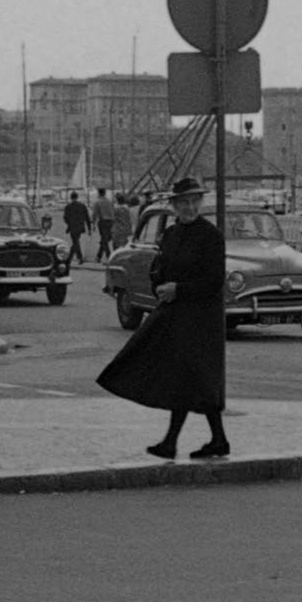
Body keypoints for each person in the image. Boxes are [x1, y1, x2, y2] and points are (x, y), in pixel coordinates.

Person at [95, 177, 230, 459]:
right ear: (174, 205)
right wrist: (159, 282)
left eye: (194, 202)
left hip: (203, 319)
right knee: (181, 375)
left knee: (199, 378)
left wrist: (178, 289)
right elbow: (161, 267)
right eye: (184, 203)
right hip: (177, 315)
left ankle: (193, 440)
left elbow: (215, 281)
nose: (190, 207)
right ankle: (199, 440)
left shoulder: (211, 236)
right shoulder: (170, 235)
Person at [63, 191, 91, 265]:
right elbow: (87, 218)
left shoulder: (68, 207)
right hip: (80, 227)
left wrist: (69, 224)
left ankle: (71, 258)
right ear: (77, 197)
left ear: (71, 197)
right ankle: (78, 258)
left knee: (75, 242)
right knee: (76, 242)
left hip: (72, 227)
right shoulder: (82, 206)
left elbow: (65, 218)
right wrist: (89, 228)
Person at [92, 188, 117, 262]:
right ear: (105, 193)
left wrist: (93, 223)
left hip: (103, 222)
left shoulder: (97, 202)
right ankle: (98, 256)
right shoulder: (109, 202)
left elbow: (94, 214)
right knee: (106, 239)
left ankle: (109, 256)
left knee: (104, 240)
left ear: (98, 193)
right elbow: (114, 211)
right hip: (111, 222)